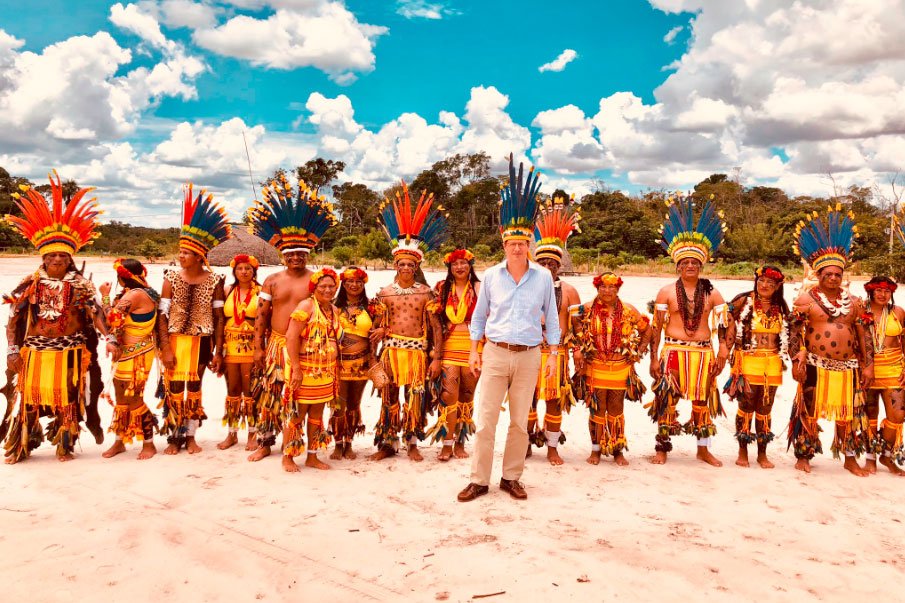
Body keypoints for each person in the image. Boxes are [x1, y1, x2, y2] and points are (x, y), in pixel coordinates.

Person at [458, 154, 560, 502]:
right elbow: (479, 317)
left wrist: (553, 355)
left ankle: (511, 477)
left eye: (523, 243)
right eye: (512, 243)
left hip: (530, 355)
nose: (517, 248)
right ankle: (478, 480)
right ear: (504, 245)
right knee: (485, 420)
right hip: (496, 353)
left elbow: (553, 317)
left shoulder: (543, 276)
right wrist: (474, 350)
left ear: (529, 245)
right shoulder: (491, 276)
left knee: (519, 421)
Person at [3, 171, 108, 463]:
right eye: (52, 257)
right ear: (44, 259)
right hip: (34, 351)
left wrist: (109, 335)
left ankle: (65, 445)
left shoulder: (81, 286)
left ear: (70, 259)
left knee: (69, 400)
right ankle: (22, 445)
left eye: (63, 256)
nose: (58, 260)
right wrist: (12, 349)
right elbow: (13, 319)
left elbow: (96, 314)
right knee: (29, 400)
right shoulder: (30, 284)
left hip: (69, 353)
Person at [247, 174, 336, 461]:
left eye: (300, 253)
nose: (296, 257)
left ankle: (299, 448)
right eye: (291, 254)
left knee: (296, 398)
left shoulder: (316, 281)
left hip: (306, 349)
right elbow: (261, 315)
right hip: (275, 345)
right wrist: (259, 347)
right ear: (283, 256)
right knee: (270, 395)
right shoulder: (272, 280)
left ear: (307, 255)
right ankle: (265, 442)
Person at [787, 205, 873, 476]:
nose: (833, 278)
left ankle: (849, 457)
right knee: (809, 410)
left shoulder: (856, 303)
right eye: (828, 275)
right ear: (818, 275)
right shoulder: (805, 300)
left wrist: (867, 365)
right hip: (814, 363)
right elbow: (793, 333)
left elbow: (863, 335)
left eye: (837, 274)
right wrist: (796, 357)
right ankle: (804, 454)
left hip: (848, 367)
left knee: (848, 412)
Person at [648, 195, 730, 467]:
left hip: (704, 355)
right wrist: (653, 358)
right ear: (678, 266)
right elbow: (655, 328)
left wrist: (724, 352)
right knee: (666, 400)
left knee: (702, 402)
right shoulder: (666, 291)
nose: (690, 266)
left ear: (701, 265)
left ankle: (703, 449)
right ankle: (662, 448)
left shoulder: (712, 292)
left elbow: (726, 324)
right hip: (672, 351)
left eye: (695, 262)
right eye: (685, 263)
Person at [370, 180, 446, 462]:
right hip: (391, 352)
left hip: (416, 353)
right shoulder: (384, 293)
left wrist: (436, 357)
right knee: (390, 397)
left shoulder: (427, 292)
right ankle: (388, 443)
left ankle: (412, 442)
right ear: (394, 266)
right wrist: (376, 343)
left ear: (417, 267)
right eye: (401, 264)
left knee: (414, 398)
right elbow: (376, 326)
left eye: (410, 265)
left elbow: (436, 328)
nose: (405, 268)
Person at [157, 184, 231, 455]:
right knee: (175, 389)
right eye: (180, 252)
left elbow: (219, 317)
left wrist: (219, 351)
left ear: (199, 255)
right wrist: (164, 347)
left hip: (201, 341)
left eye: (186, 253)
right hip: (175, 340)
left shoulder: (215, 280)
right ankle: (174, 437)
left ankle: (190, 435)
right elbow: (162, 315)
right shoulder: (170, 277)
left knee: (195, 388)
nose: (181, 256)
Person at [571, 272, 650, 466]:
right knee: (597, 408)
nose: (607, 290)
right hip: (595, 366)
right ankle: (596, 449)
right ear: (597, 289)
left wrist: (638, 351)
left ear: (618, 289)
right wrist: (579, 350)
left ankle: (617, 450)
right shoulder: (586, 309)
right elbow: (574, 327)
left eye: (612, 287)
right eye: (603, 287)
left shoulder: (629, 310)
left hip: (621, 367)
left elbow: (647, 330)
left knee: (616, 408)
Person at [528, 193, 581, 464]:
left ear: (559, 265)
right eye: (543, 262)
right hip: (528, 352)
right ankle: (525, 444)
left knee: (553, 402)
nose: (548, 267)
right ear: (536, 263)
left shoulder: (570, 291)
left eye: (552, 263)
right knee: (526, 401)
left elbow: (577, 327)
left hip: (556, 354)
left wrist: (578, 354)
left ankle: (551, 446)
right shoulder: (525, 288)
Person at [724, 266, 789, 469]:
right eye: (762, 281)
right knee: (746, 405)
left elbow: (791, 332)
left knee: (765, 407)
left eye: (771, 283)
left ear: (778, 286)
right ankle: (742, 450)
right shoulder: (743, 300)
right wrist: (725, 348)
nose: (765, 285)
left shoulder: (782, 307)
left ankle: (762, 453)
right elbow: (724, 321)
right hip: (747, 360)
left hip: (772, 363)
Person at [99, 259, 160, 460]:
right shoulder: (140, 291)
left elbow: (112, 319)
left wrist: (105, 297)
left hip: (138, 354)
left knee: (134, 398)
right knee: (121, 398)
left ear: (122, 278)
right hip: (126, 353)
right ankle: (119, 441)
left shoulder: (135, 294)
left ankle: (149, 443)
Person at [283, 268, 342, 472]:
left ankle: (312, 456)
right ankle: (288, 456)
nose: (327, 290)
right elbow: (291, 338)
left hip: (325, 372)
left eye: (331, 286)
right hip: (305, 370)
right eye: (323, 286)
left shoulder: (333, 310)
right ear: (314, 288)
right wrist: (296, 369)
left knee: (317, 414)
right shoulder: (306, 306)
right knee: (298, 413)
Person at [426, 249, 481, 461]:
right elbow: (434, 321)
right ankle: (446, 443)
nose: (459, 267)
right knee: (449, 395)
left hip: (474, 347)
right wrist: (435, 353)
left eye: (463, 263)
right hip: (449, 345)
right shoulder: (442, 288)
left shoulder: (479, 288)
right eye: (455, 264)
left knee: (467, 395)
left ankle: (460, 442)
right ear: (449, 267)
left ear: (470, 266)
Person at [331, 267, 384, 460]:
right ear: (343, 285)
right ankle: (337, 444)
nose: (354, 285)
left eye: (358, 282)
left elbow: (379, 330)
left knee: (354, 403)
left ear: (363, 285)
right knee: (338, 404)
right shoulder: (333, 307)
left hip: (361, 362)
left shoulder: (371, 307)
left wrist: (382, 333)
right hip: (339, 363)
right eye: (349, 282)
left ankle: (349, 443)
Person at [217, 254, 262, 451]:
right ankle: (232, 433)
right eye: (240, 269)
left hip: (252, 346)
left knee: (250, 391)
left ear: (254, 271)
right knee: (232, 391)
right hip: (230, 345)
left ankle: (253, 433)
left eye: (248, 269)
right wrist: (218, 351)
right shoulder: (228, 290)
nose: (244, 272)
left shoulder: (261, 292)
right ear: (234, 271)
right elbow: (219, 319)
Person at [861, 276, 905, 475]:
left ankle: (886, 455)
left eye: (887, 291)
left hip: (894, 367)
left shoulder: (898, 313)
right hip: (868, 367)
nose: (882, 294)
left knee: (898, 415)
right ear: (871, 291)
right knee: (869, 415)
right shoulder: (861, 311)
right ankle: (870, 458)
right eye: (878, 290)